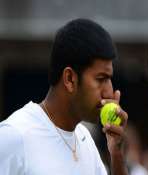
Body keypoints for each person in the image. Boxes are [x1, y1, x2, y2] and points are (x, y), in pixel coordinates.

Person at [0, 19, 128, 175]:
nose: (109, 92)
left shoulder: (85, 139)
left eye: (109, 79)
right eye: (101, 79)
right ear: (69, 79)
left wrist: (116, 154)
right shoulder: (14, 136)